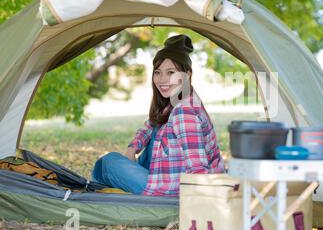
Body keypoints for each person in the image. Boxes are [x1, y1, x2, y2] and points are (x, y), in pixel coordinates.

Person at [92, 34, 225, 196]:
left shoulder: (184, 112)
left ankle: (114, 183)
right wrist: (132, 148)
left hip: (171, 189)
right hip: (166, 170)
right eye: (158, 72)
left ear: (187, 74)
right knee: (154, 130)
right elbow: (151, 125)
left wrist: (203, 201)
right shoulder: (179, 97)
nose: (162, 80)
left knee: (108, 162)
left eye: (170, 72)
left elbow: (198, 167)